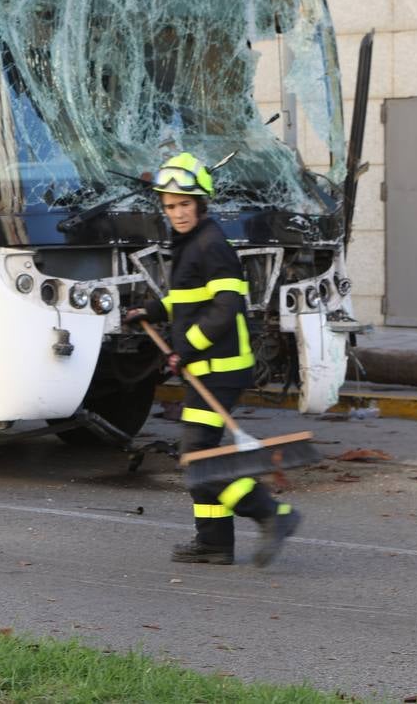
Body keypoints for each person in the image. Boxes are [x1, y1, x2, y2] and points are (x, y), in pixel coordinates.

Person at [124, 152, 300, 568]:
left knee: (198, 457)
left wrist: (186, 348)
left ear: (201, 203)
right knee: (199, 456)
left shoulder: (212, 245)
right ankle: (214, 543)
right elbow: (190, 299)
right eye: (170, 206)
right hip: (206, 368)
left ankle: (273, 515)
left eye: (185, 204)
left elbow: (225, 309)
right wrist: (153, 310)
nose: (178, 213)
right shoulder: (189, 244)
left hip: (219, 369)